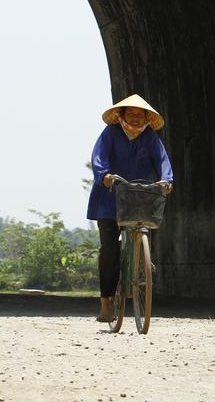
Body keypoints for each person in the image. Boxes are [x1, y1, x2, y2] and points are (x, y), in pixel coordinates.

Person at [87, 94, 174, 322]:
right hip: (110, 197)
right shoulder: (110, 134)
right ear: (122, 115)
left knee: (153, 216)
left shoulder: (150, 137)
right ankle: (106, 301)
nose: (136, 119)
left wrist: (167, 179)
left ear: (146, 117)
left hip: (139, 195)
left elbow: (162, 161)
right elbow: (99, 157)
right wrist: (103, 175)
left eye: (140, 115)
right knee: (109, 250)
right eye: (131, 114)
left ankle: (144, 258)